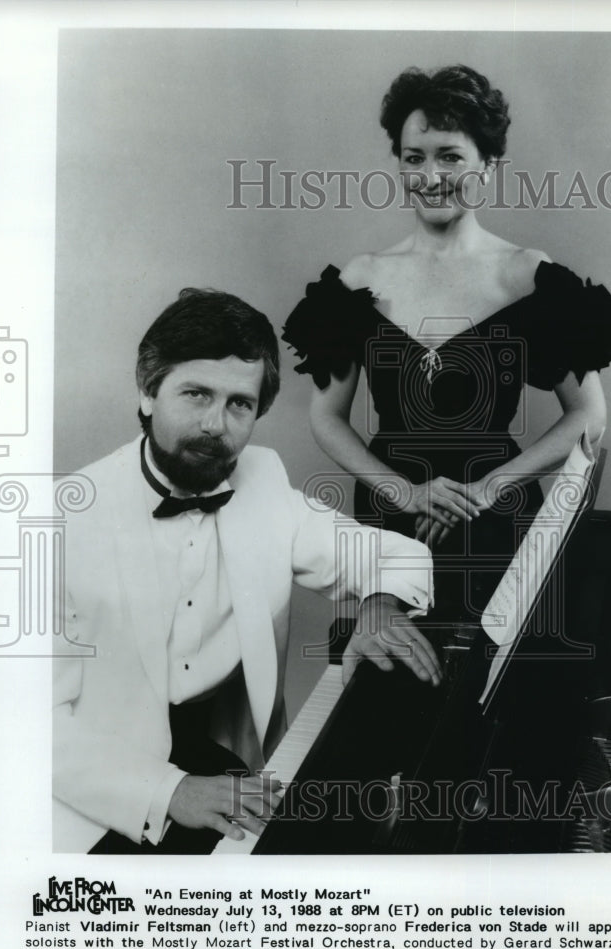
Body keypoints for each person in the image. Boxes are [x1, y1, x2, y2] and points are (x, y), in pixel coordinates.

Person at [53, 287, 440, 854]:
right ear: (146, 392)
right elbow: (22, 726)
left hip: (217, 765)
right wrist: (171, 790)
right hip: (98, 795)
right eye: (196, 394)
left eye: (239, 404)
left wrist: (377, 608)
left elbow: (399, 554)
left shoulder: (261, 481)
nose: (216, 424)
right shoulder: (59, 518)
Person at [283, 65, 611, 615]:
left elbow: (589, 417)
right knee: (384, 685)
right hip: (392, 519)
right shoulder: (360, 277)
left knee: (489, 690)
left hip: (496, 518)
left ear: (487, 165)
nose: (430, 174)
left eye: (451, 156)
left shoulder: (528, 274)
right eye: (414, 157)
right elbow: (327, 418)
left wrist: (488, 490)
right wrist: (405, 492)